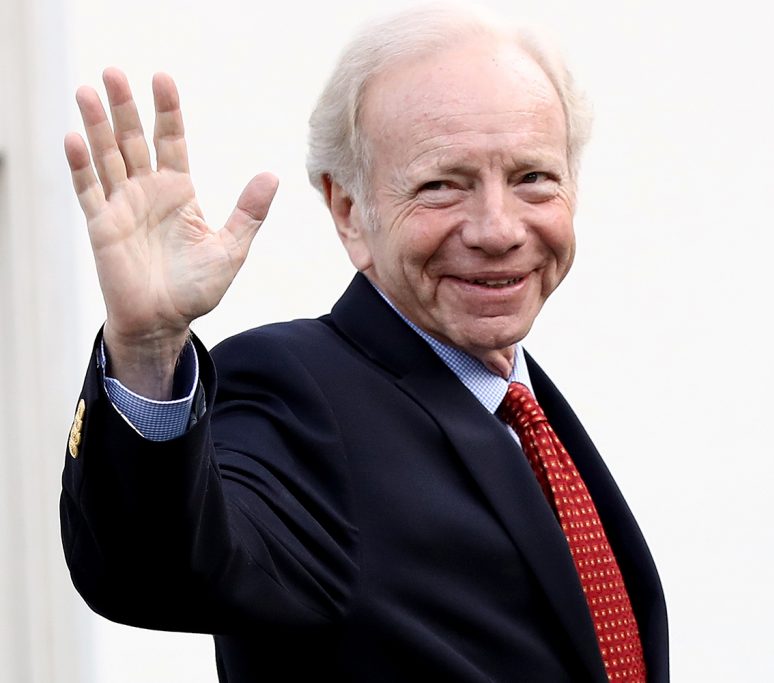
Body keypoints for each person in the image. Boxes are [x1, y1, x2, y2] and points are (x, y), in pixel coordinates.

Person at [60, 5, 668, 681]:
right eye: (443, 184)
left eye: (532, 178)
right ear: (350, 211)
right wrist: (147, 348)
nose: (498, 228)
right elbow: (157, 568)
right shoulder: (298, 391)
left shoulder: (525, 410)